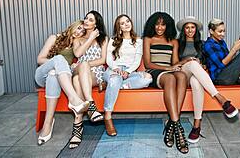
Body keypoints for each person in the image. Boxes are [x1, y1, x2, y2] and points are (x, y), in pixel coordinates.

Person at [176, 16, 238, 143]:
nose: (190, 30)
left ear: (196, 29)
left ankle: (196, 125)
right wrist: (188, 60)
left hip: (196, 75)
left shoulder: (202, 44)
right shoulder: (178, 43)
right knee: (193, 64)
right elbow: (175, 62)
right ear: (183, 30)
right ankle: (221, 98)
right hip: (182, 74)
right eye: (187, 27)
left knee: (196, 81)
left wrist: (202, 64)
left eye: (192, 27)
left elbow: (206, 63)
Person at [35, 20, 89, 146]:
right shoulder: (55, 37)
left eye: (82, 31)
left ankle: (47, 124)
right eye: (79, 28)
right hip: (42, 74)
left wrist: (70, 66)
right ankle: (74, 100)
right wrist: (57, 64)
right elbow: (40, 59)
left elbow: (79, 56)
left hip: (56, 78)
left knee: (53, 76)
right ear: (73, 26)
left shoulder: (76, 45)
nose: (79, 31)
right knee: (58, 60)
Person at [143, 12, 189, 154]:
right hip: (154, 72)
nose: (160, 27)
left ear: (167, 26)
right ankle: (178, 128)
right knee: (170, 78)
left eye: (163, 24)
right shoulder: (148, 39)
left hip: (169, 71)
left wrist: (186, 60)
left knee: (181, 75)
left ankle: (172, 124)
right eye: (157, 24)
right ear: (152, 25)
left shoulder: (173, 41)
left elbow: (174, 63)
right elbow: (147, 63)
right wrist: (167, 68)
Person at [103, 14, 152, 136]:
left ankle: (111, 85)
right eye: (122, 23)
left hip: (129, 72)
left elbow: (136, 60)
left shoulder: (138, 41)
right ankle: (108, 116)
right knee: (115, 79)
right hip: (114, 70)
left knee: (147, 78)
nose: (126, 24)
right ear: (119, 27)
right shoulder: (113, 40)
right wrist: (116, 69)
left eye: (128, 21)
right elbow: (108, 59)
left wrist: (128, 71)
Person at [69, 10, 108, 149]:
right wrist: (90, 38)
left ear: (96, 23)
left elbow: (102, 60)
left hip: (95, 73)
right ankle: (91, 106)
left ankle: (77, 125)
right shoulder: (78, 38)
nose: (86, 21)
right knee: (79, 73)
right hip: (79, 69)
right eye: (86, 18)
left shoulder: (103, 38)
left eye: (90, 20)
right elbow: (78, 53)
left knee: (76, 80)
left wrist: (85, 65)